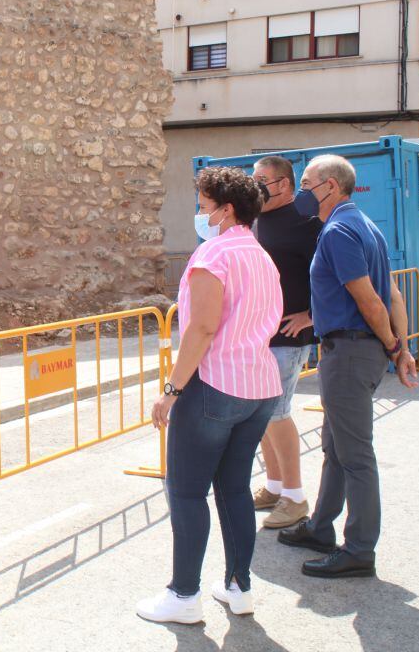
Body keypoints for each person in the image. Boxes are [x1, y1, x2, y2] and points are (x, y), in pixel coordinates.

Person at [136, 167, 283, 624]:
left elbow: (201, 328)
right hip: (259, 386)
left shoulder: (212, 256)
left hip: (215, 386)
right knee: (234, 489)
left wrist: (170, 391)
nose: (200, 214)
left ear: (226, 209)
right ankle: (239, 587)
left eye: (203, 206)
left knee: (185, 492)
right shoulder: (262, 256)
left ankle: (183, 596)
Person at [277, 155, 419, 579]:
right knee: (335, 449)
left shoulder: (338, 231)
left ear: (332, 187)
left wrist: (396, 347)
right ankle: (321, 528)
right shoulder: (365, 225)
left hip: (351, 352)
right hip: (353, 350)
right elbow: (393, 296)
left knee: (354, 455)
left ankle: (358, 549)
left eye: (306, 183)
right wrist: (401, 347)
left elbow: (371, 300)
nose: (301, 191)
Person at [250, 156, 323, 529]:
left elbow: (329, 274)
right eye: (254, 178)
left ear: (285, 182)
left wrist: (311, 314)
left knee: (277, 413)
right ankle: (275, 485)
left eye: (263, 179)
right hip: (261, 335)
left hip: (288, 338)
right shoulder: (257, 220)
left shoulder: (307, 222)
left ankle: (295, 497)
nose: (256, 185)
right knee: (264, 415)